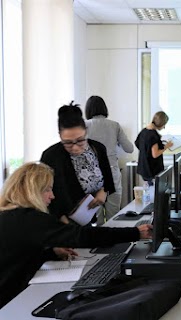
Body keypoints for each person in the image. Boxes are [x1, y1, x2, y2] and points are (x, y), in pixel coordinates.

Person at [0, 162, 152, 308]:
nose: (52, 196)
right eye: (47, 189)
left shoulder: (9, 215)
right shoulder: (28, 219)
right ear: (32, 191)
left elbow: (18, 254)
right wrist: (135, 232)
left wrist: (52, 252)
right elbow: (81, 236)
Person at [41, 102, 115, 224]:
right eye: (68, 143)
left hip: (89, 218)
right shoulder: (51, 156)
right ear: (60, 136)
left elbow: (108, 179)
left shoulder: (98, 148)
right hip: (63, 222)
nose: (75, 147)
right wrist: (62, 220)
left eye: (80, 140)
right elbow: (45, 193)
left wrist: (103, 192)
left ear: (86, 131)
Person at [85, 95, 134, 222]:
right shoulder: (115, 125)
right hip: (112, 172)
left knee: (96, 215)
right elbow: (129, 149)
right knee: (114, 216)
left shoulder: (84, 126)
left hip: (91, 174)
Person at [135, 111, 173, 184]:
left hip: (144, 167)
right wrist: (166, 146)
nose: (164, 127)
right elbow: (155, 154)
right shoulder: (153, 135)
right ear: (161, 124)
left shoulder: (144, 131)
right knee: (153, 191)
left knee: (149, 190)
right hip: (151, 170)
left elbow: (138, 144)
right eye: (164, 125)